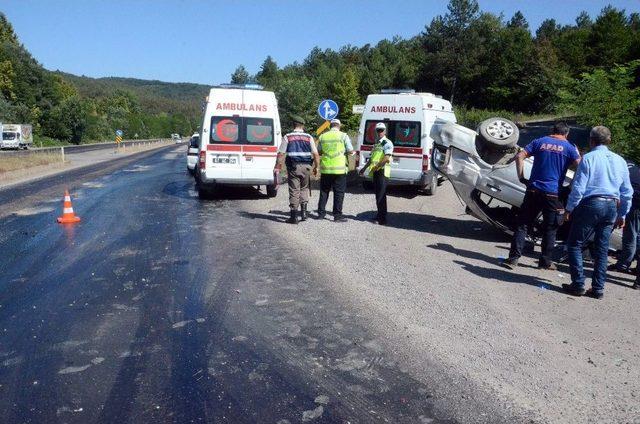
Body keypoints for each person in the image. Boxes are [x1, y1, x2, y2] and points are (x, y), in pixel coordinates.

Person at [562, 126, 633, 299]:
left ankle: (578, 284)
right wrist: (622, 214)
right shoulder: (620, 160)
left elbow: (578, 187)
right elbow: (627, 192)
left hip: (591, 204)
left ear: (591, 140)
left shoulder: (588, 158)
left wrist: (569, 208)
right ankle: (598, 289)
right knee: (601, 249)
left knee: (574, 244)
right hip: (611, 206)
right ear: (609, 140)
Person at [503, 122, 581, 270]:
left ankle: (513, 258)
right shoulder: (570, 147)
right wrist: (570, 186)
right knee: (550, 228)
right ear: (567, 133)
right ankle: (545, 262)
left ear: (552, 130)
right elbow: (582, 166)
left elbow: (520, 156)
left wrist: (522, 177)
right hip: (553, 193)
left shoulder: (539, 141)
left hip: (533, 190)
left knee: (523, 224)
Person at [275, 115, 319, 224]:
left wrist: (278, 166)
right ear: (302, 125)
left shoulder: (288, 137)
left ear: (293, 125)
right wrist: (317, 167)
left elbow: (281, 153)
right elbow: (316, 154)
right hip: (307, 167)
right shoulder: (309, 137)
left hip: (294, 167)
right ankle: (304, 214)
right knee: (304, 188)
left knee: (294, 190)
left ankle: (294, 217)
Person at [317, 119, 354, 222]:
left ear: (330, 126)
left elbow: (319, 151)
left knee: (324, 192)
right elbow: (350, 150)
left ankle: (321, 214)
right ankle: (337, 216)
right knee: (339, 193)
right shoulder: (343, 136)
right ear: (339, 126)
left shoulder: (323, 136)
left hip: (326, 169)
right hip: (339, 170)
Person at [359, 122, 393, 225]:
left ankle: (382, 219)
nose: (380, 132)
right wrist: (364, 168)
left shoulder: (387, 142)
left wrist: (377, 167)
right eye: (378, 130)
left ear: (385, 131)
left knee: (381, 195)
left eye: (381, 130)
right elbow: (372, 159)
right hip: (376, 172)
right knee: (378, 195)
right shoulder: (378, 143)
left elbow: (387, 158)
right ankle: (379, 215)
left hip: (382, 171)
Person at [609, 164, 640, 274]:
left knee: (630, 235)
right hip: (636, 200)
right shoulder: (633, 167)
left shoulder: (617, 167)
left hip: (635, 203)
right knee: (637, 235)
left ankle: (623, 265)